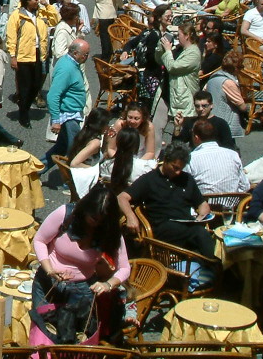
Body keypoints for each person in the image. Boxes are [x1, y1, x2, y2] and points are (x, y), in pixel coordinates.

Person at [31, 184, 130, 344]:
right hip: (48, 282)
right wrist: (49, 269)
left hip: (81, 290)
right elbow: (40, 240)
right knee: (42, 333)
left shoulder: (111, 232)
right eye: (93, 218)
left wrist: (108, 285)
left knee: (72, 339)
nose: (96, 224)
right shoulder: (66, 214)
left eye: (101, 221)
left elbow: (124, 268)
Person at [119, 143, 216, 259]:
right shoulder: (150, 179)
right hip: (163, 227)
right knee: (200, 234)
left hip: (187, 225)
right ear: (165, 160)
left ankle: (210, 265)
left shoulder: (187, 179)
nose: (178, 172)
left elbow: (202, 204)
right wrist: (130, 216)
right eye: (175, 167)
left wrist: (201, 216)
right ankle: (215, 265)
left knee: (210, 235)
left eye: (181, 168)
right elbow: (122, 197)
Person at [6, 0, 56, 128]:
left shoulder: (41, 13)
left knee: (36, 85)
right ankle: (23, 113)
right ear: (27, 0)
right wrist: (13, 56)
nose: (38, 1)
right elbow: (11, 37)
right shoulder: (17, 15)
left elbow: (55, 20)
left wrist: (48, 6)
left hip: (38, 53)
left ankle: (25, 107)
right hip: (23, 55)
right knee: (25, 87)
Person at [42, 39, 91, 171]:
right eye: (85, 54)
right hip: (69, 116)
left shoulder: (71, 64)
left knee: (61, 148)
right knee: (75, 150)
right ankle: (71, 182)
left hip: (72, 114)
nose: (87, 57)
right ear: (75, 53)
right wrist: (56, 120)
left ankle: (34, 171)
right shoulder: (66, 68)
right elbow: (53, 95)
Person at [155, 21, 202, 134]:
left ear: (187, 36)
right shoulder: (179, 49)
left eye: (179, 35)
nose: (177, 38)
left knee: (181, 131)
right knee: (156, 127)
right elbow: (160, 60)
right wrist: (161, 48)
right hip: (167, 91)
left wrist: (167, 51)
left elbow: (173, 67)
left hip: (182, 97)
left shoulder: (193, 53)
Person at [184, 118, 249, 196]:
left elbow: (185, 187)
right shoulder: (233, 154)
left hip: (202, 205)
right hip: (231, 205)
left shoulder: (191, 158)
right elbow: (245, 186)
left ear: (196, 137)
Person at [206, 51, 247, 138]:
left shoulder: (213, 77)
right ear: (235, 68)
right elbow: (242, 106)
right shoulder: (228, 83)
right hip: (225, 123)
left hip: (210, 118)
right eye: (241, 67)